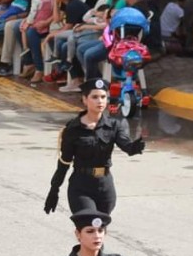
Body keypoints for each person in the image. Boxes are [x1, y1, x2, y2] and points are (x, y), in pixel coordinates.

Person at [44, 79, 145, 215]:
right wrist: (54, 189)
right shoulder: (73, 129)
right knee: (89, 222)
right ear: (85, 99)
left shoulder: (114, 126)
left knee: (99, 230)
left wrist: (137, 145)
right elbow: (64, 162)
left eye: (103, 97)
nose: (100, 101)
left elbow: (128, 147)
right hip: (81, 186)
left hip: (105, 186)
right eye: (95, 97)